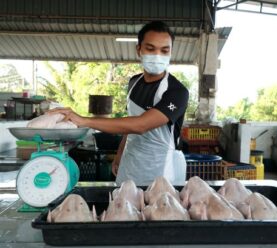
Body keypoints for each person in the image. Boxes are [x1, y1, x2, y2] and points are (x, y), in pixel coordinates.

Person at [48, 21, 189, 186]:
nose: (157, 55)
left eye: (165, 50)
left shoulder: (176, 91)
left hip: (161, 170)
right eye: (150, 49)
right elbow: (130, 124)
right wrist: (119, 154)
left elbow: (140, 125)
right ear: (139, 50)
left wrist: (84, 120)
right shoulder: (134, 82)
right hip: (131, 164)